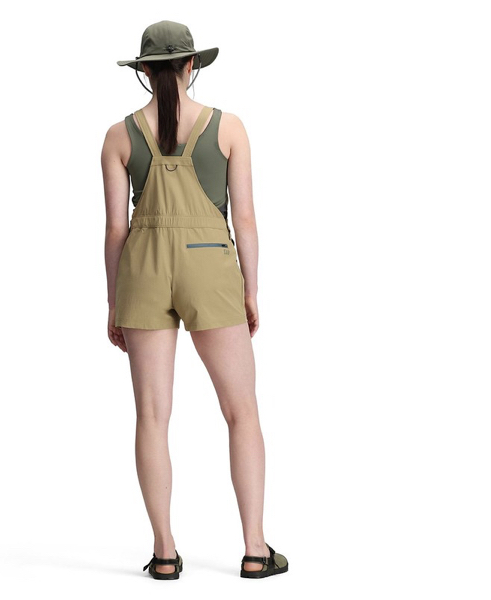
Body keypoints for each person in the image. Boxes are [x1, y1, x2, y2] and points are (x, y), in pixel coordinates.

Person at [102, 20, 288, 580]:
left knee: (152, 416)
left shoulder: (118, 137)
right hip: (210, 267)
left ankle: (164, 554)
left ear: (144, 72)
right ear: (191, 65)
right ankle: (254, 550)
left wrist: (114, 302)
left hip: (143, 271)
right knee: (241, 410)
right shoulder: (228, 128)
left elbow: (115, 230)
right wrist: (250, 288)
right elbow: (245, 219)